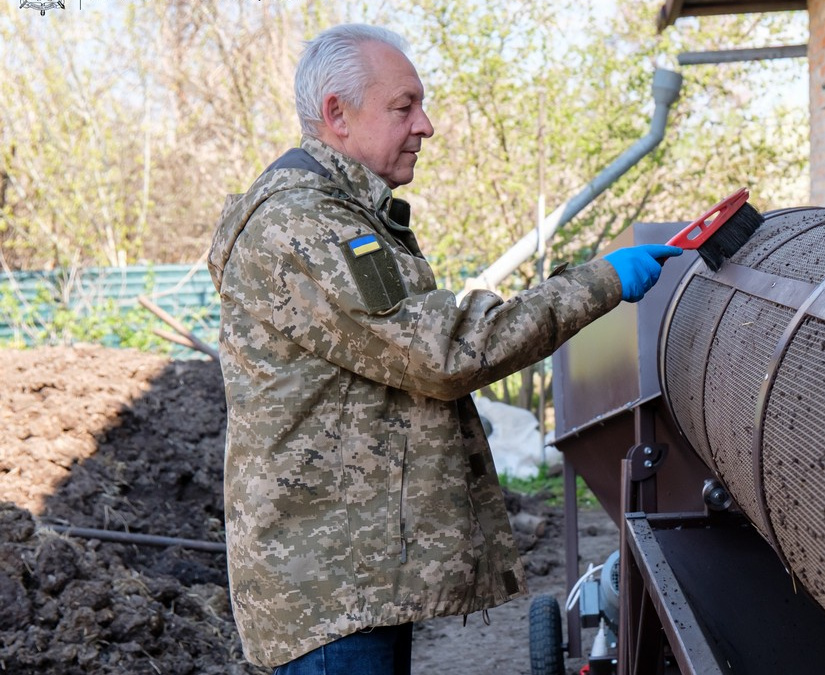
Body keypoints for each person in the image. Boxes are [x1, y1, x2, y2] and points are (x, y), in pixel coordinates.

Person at [206, 23, 682, 675]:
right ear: (336, 115)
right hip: (330, 590)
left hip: (350, 575)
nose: (425, 126)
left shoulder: (341, 215)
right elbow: (444, 352)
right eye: (404, 107)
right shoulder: (305, 225)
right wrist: (600, 282)